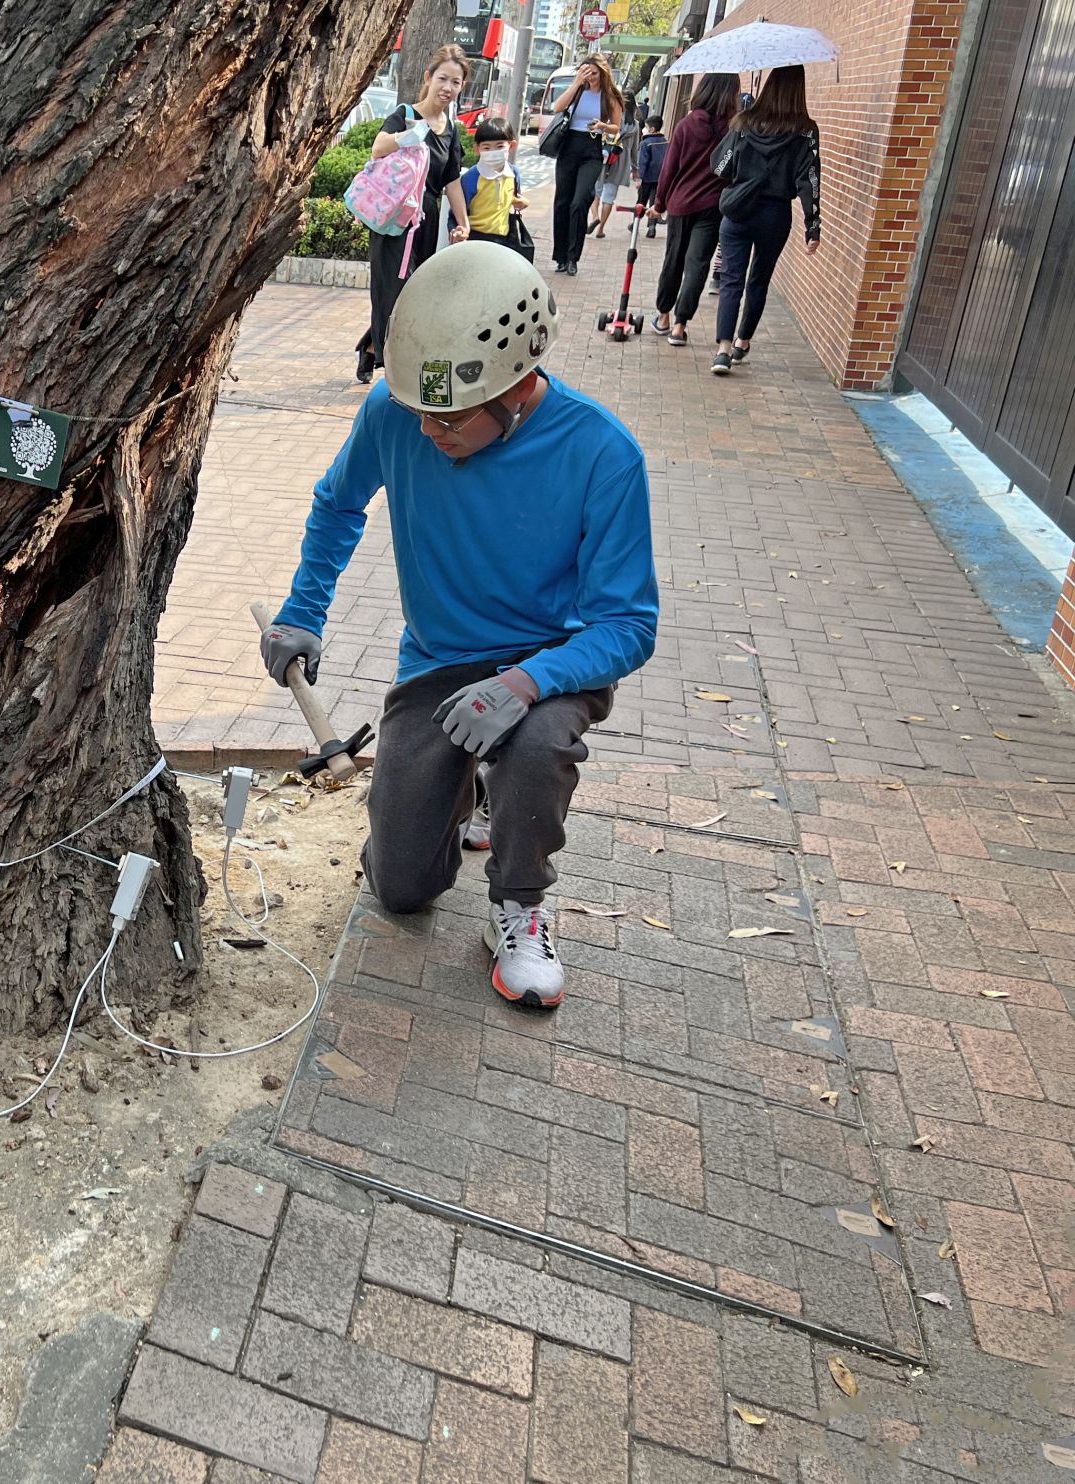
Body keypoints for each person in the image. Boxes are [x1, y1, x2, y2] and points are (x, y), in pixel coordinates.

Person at [260, 244, 659, 1009]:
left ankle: (519, 906)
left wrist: (526, 683)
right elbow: (338, 503)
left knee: (536, 747)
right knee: (401, 887)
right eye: (420, 409)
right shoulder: (395, 413)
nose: (429, 430)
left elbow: (628, 625)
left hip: (551, 664)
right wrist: (302, 610)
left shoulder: (602, 454)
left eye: (449, 416)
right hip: (439, 659)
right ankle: (467, 791)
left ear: (518, 384)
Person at [354, 44, 476, 383]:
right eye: (442, 79)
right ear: (428, 78)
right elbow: (378, 148)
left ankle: (372, 347)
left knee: (413, 294)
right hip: (395, 218)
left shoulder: (451, 129)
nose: (447, 87)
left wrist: (463, 223)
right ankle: (395, 370)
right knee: (391, 291)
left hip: (426, 221)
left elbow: (452, 180)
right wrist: (411, 135)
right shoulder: (406, 114)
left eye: (455, 82)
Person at [710, 65, 821, 374]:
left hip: (739, 210)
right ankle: (742, 342)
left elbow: (720, 167)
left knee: (731, 279)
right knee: (760, 278)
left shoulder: (744, 123)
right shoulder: (806, 130)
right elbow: (810, 180)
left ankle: (722, 351)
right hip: (775, 214)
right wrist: (813, 226)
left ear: (769, 85)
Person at [651, 72, 739, 348]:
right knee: (697, 265)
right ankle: (680, 326)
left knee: (674, 260)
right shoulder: (734, 130)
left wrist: (659, 204)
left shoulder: (686, 125)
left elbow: (668, 170)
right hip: (713, 207)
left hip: (680, 204)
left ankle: (663, 316)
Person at [546, 55, 625, 275]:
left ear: (602, 73)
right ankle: (560, 257)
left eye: (593, 73)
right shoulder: (578, 90)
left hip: (592, 149)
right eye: (585, 72)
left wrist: (602, 126)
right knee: (562, 201)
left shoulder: (610, 96)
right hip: (569, 146)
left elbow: (616, 127)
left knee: (579, 201)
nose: (589, 76)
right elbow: (557, 107)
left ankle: (573, 258)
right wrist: (576, 83)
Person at [461, 117, 531, 256]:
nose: (493, 152)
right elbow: (459, 210)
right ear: (477, 149)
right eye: (486, 148)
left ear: (511, 146)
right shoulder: (471, 177)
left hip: (504, 239)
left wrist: (523, 202)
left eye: (500, 146)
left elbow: (513, 198)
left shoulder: (514, 174)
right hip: (475, 237)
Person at [591, 132, 632, 238]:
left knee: (595, 192)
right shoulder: (634, 126)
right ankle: (600, 229)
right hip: (620, 161)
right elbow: (634, 149)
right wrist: (635, 169)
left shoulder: (609, 122)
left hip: (603, 157)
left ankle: (595, 217)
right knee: (609, 197)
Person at [635, 117, 667, 237]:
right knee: (654, 202)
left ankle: (635, 224)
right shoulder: (665, 141)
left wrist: (639, 178)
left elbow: (642, 162)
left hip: (647, 178)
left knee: (641, 202)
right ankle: (652, 227)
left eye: (646, 127)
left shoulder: (645, 143)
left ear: (652, 129)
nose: (644, 129)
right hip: (660, 178)